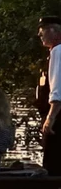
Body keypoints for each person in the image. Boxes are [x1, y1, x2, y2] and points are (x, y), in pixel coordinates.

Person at [39, 16, 61, 176]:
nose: (40, 35)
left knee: (53, 158)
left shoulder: (58, 51)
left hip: (58, 115)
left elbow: (57, 87)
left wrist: (50, 117)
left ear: (55, 32)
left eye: (43, 31)